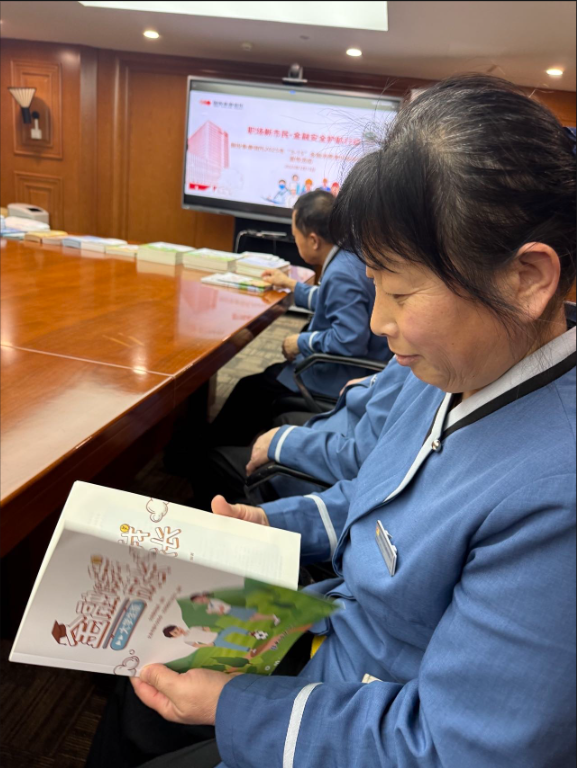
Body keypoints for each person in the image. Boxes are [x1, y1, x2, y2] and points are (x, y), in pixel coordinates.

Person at [88, 75, 576, 768]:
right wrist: (271, 524)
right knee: (142, 682)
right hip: (332, 631)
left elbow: (454, 746)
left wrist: (233, 705)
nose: (379, 323)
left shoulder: (556, 496)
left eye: (401, 292)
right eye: (375, 285)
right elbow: (384, 499)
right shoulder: (455, 367)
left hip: (364, 717)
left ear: (526, 278)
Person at [208, 190, 391, 447]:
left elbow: (348, 341)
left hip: (338, 375)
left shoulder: (341, 274)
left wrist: (301, 342)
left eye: (295, 236)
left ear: (313, 240)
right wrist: (292, 286)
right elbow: (332, 301)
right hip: (362, 365)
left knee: (249, 391)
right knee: (259, 383)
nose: (295, 241)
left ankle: (212, 456)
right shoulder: (351, 254)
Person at [191, 358, 409, 510]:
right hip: (343, 425)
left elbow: (363, 460)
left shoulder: (419, 371)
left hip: (332, 470)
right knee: (282, 418)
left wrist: (281, 442)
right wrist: (370, 382)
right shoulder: (421, 364)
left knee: (210, 459)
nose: (378, 325)